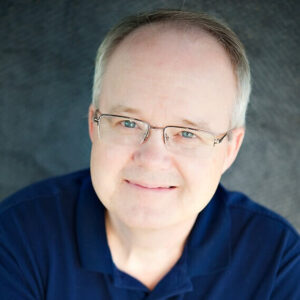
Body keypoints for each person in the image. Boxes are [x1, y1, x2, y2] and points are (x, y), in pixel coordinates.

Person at [0, 9, 299, 300]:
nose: (152, 158)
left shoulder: (278, 262)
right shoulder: (17, 236)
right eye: (128, 123)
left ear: (230, 149)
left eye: (188, 133)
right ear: (94, 126)